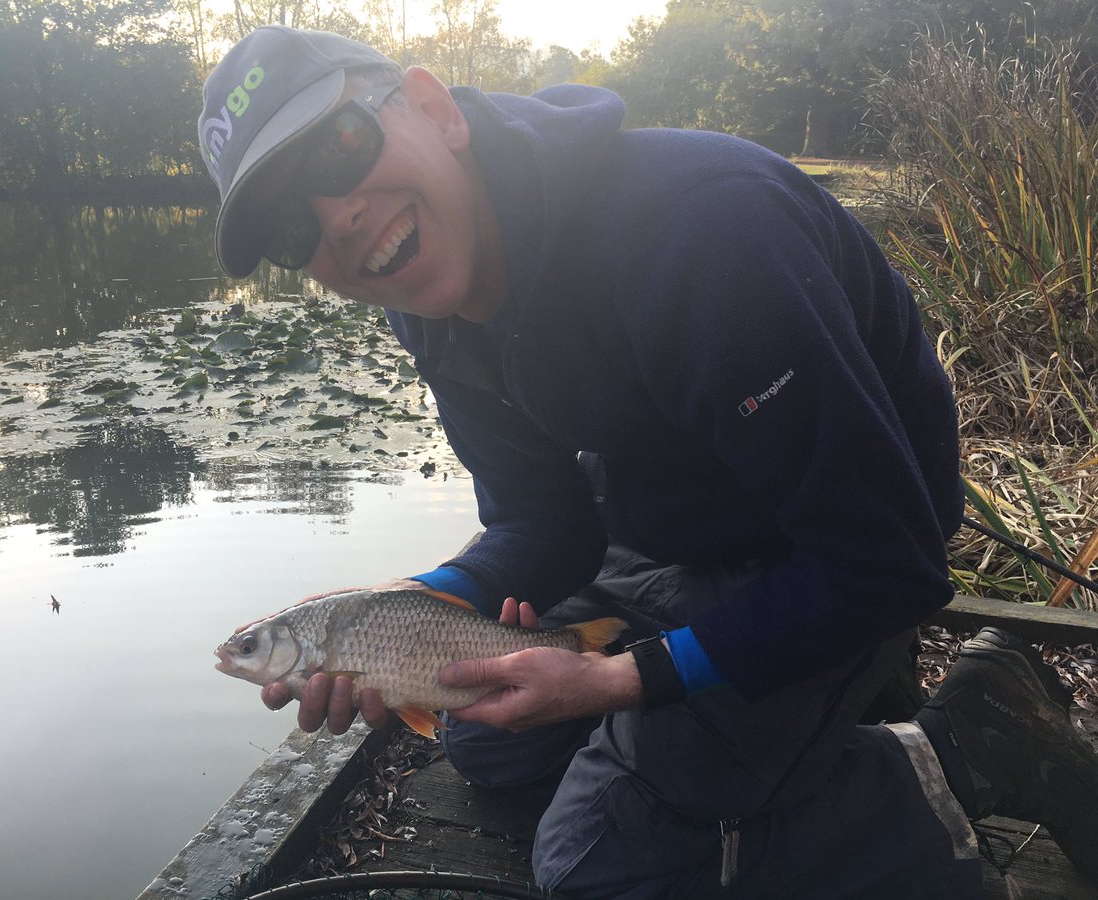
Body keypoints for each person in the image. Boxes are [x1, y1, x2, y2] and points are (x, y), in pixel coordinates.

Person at [196, 26, 1098, 897]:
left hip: (834, 557)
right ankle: (787, 727)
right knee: (486, 740)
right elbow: (542, 523)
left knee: (595, 865)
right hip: (672, 530)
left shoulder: (703, 227)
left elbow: (889, 560)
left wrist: (624, 679)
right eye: (290, 227)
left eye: (341, 147)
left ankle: (963, 751)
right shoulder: (429, 297)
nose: (339, 218)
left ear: (435, 110)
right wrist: (400, 607)